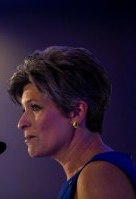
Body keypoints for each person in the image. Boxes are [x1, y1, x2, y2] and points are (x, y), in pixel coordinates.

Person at [7, 46, 136, 199]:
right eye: (23, 110)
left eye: (35, 107)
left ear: (76, 112)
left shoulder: (98, 176)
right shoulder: (90, 174)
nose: (21, 123)